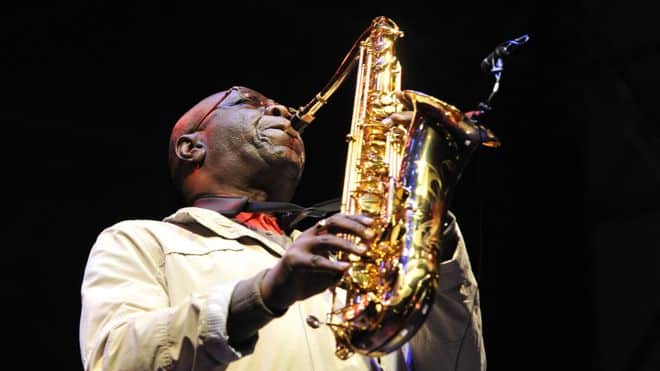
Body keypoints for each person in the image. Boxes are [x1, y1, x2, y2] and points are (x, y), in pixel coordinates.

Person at [79, 86, 486, 371]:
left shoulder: (353, 254)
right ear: (191, 147)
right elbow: (115, 360)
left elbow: (457, 364)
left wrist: (428, 224)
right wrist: (264, 293)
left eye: (278, 106)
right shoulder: (140, 240)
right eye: (249, 103)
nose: (283, 112)